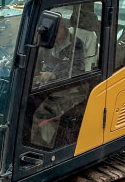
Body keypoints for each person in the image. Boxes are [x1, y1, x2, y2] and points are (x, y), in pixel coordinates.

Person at [31, 20, 87, 148]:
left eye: (55, 30)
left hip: (69, 86)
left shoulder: (76, 44)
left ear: (62, 27)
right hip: (47, 83)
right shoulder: (48, 41)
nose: (52, 34)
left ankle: (43, 145)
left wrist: (54, 75)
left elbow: (78, 71)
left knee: (44, 112)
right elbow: (37, 61)